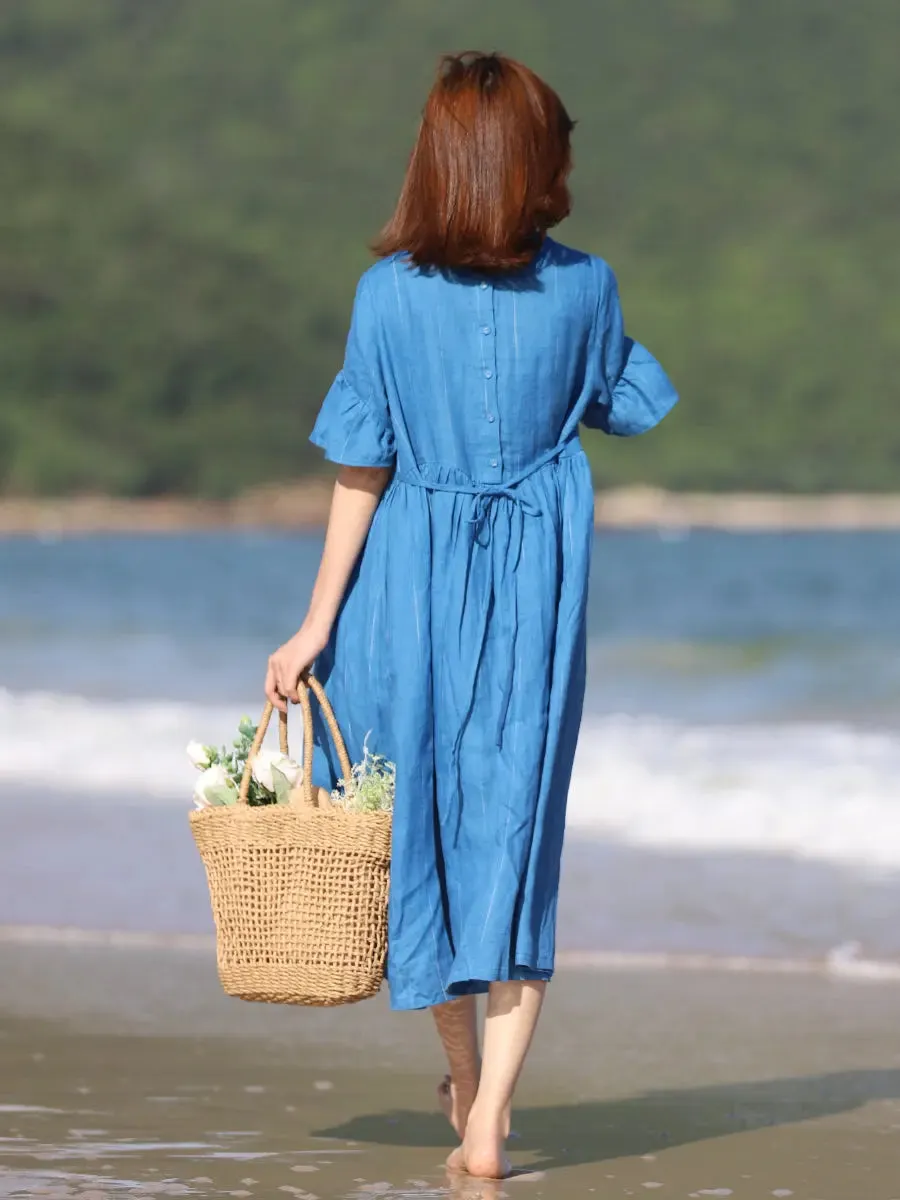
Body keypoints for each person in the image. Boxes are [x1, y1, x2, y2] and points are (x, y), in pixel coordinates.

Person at [265, 51, 678, 1179]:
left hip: (406, 585)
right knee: (517, 833)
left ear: (437, 161)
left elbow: (362, 466)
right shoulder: (586, 288)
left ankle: (465, 1092)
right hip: (536, 585)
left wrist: (312, 627)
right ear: (535, 163)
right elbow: (624, 403)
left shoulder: (386, 296)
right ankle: (491, 1113)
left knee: (424, 835)